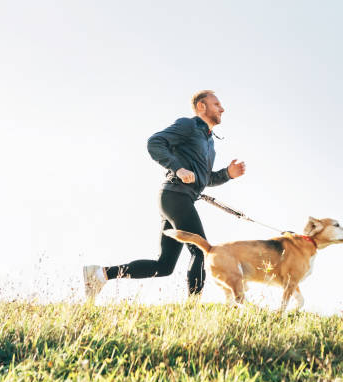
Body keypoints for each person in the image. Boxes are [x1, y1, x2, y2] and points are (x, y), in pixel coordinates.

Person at [83, 90, 246, 299]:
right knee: (202, 250)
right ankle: (193, 308)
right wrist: (178, 168)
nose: (222, 109)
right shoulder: (189, 125)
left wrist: (227, 174)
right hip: (175, 196)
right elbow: (155, 142)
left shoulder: (210, 142)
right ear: (201, 107)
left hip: (179, 199)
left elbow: (203, 178)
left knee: (164, 265)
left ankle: (99, 274)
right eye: (216, 104)